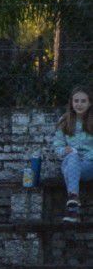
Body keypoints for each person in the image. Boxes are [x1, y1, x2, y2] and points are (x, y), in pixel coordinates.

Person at [54, 86, 93, 223]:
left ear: (89, 103)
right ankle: (73, 199)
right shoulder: (64, 121)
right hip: (70, 162)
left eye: (83, 101)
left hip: (89, 165)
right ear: (71, 102)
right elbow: (57, 148)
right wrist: (65, 150)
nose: (79, 104)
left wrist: (87, 156)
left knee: (70, 168)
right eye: (76, 101)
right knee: (72, 158)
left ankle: (73, 211)